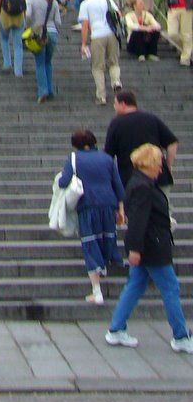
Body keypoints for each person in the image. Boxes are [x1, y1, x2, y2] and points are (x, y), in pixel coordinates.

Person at [105, 144, 193, 352]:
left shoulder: (139, 183)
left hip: (148, 244)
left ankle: (116, 329)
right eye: (159, 164)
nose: (161, 168)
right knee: (170, 287)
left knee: (135, 285)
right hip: (152, 247)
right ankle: (180, 336)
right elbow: (137, 221)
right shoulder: (144, 187)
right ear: (150, 163)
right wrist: (134, 248)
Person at [58, 130, 124, 305]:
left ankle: (97, 290)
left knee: (90, 243)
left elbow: (63, 182)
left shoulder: (74, 159)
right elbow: (117, 184)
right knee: (105, 238)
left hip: (88, 205)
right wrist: (121, 209)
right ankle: (103, 266)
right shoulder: (107, 159)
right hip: (108, 205)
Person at [104, 89, 178, 192]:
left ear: (123, 104)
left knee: (135, 207)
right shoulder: (151, 118)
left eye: (115, 104)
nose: (114, 107)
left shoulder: (116, 123)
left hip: (130, 178)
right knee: (162, 206)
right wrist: (168, 165)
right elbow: (172, 143)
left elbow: (108, 155)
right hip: (159, 175)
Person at [78, 0, 121, 105]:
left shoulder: (85, 4)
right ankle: (116, 81)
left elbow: (85, 25)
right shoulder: (107, 0)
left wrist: (83, 43)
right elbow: (118, 14)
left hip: (97, 36)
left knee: (97, 67)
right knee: (113, 62)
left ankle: (101, 96)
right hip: (112, 34)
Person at [28, 0, 61, 102]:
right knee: (48, 62)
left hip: (38, 34)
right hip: (52, 33)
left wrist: (30, 26)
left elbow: (28, 16)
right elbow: (58, 21)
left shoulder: (33, 0)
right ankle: (50, 89)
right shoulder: (54, 2)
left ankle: (43, 91)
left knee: (40, 63)